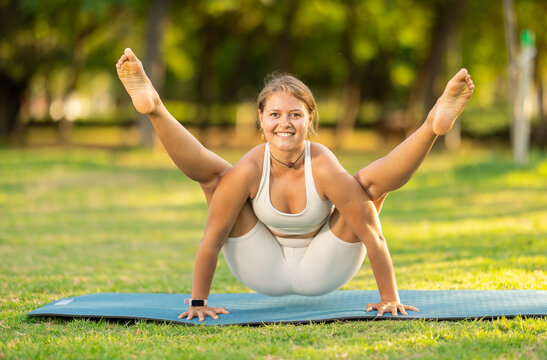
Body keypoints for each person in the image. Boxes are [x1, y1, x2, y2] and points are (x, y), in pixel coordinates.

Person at [116, 48, 475, 322]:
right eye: (274, 114)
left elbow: (371, 232)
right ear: (261, 119)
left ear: (309, 119)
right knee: (221, 180)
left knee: (365, 186)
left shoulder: (322, 165)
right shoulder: (251, 166)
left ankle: (432, 126)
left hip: (326, 266)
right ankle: (155, 109)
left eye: (295, 115)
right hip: (261, 267)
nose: (284, 123)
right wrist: (198, 303)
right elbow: (212, 237)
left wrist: (390, 297)